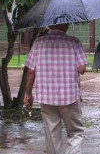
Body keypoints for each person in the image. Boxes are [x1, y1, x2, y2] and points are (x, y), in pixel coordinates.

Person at [24, 23, 87, 154]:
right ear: (67, 25)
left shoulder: (38, 42)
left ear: (50, 25)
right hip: (69, 96)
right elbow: (82, 69)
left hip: (46, 97)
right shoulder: (74, 42)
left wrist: (28, 93)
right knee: (75, 132)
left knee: (52, 135)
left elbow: (31, 71)